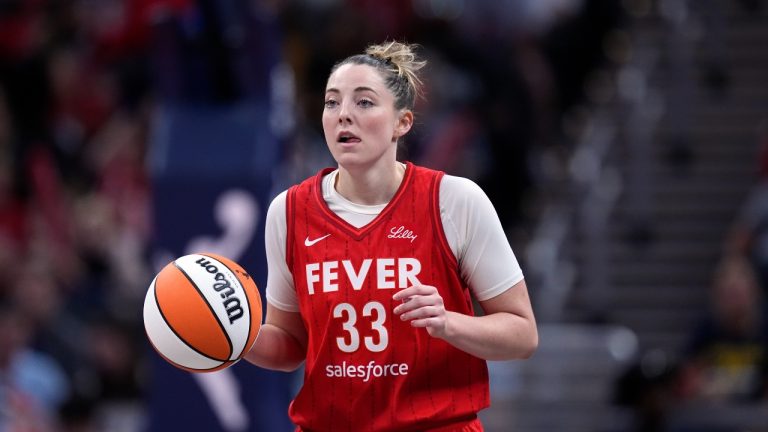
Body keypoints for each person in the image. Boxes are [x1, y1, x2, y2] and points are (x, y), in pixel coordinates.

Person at [244, 40, 538, 432]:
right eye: (332, 102)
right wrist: (233, 339)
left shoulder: (455, 200)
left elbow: (522, 334)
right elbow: (290, 344)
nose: (344, 114)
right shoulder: (289, 210)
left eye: (364, 102)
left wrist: (449, 323)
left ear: (403, 121)